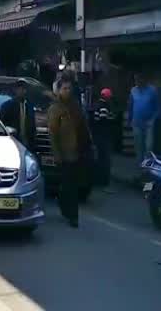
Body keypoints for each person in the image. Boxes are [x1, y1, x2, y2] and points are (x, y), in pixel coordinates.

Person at [48, 78, 92, 228]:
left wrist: (87, 146)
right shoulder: (55, 108)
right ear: (59, 90)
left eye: (69, 88)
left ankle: (70, 211)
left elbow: (83, 127)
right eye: (64, 88)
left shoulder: (75, 106)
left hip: (77, 151)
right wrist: (57, 155)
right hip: (64, 152)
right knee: (68, 185)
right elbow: (53, 133)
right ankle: (71, 213)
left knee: (73, 184)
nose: (67, 91)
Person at [128, 73, 159, 167]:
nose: (137, 82)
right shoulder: (133, 90)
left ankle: (147, 166)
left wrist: (152, 120)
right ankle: (140, 165)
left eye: (139, 79)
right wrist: (130, 119)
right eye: (135, 80)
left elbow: (158, 108)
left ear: (144, 79)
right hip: (136, 122)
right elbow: (130, 105)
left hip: (148, 123)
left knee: (149, 146)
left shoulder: (152, 90)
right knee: (138, 145)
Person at [0, 79, 36, 150]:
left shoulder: (29, 106)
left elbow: (32, 124)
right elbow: (2, 124)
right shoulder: (7, 106)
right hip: (13, 141)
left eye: (24, 89)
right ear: (15, 90)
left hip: (27, 143)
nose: (23, 91)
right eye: (20, 89)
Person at [91, 88, 117, 189]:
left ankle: (100, 179)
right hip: (103, 136)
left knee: (101, 157)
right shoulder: (104, 107)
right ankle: (103, 180)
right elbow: (103, 121)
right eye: (109, 97)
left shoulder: (97, 105)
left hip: (98, 136)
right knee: (104, 158)